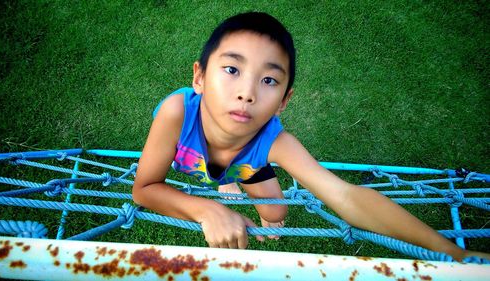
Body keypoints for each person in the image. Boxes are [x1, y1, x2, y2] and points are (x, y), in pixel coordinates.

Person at [132, 12, 487, 261]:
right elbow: (145, 188)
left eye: (268, 80)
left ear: (284, 100)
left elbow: (345, 196)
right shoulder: (177, 113)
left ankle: (230, 181)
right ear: (199, 78)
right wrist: (205, 209)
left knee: (276, 211)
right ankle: (223, 185)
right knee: (221, 186)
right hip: (193, 159)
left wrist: (453, 253)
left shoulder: (276, 142)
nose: (247, 92)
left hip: (247, 166)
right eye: (231, 69)